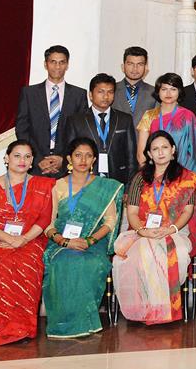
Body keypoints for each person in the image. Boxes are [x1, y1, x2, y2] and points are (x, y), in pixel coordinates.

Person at [111, 130, 196, 324]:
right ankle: (147, 308)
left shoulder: (187, 178)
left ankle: (163, 309)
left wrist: (171, 229)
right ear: (149, 154)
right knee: (140, 252)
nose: (161, 153)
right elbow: (132, 212)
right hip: (142, 231)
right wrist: (142, 231)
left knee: (170, 252)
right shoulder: (139, 178)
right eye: (155, 149)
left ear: (173, 150)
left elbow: (187, 211)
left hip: (176, 230)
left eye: (165, 148)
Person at [0, 141, 55, 345]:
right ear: (6, 158)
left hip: (31, 239)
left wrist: (23, 239)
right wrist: (10, 239)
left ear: (32, 161)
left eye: (27, 157)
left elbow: (44, 219)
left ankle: (21, 328)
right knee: (0, 262)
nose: (22, 161)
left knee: (25, 263)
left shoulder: (43, 185)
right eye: (17, 156)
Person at [42, 138, 122, 338]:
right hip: (60, 243)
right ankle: (63, 322)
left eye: (88, 155)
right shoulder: (57, 186)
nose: (83, 160)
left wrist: (89, 241)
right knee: (62, 262)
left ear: (94, 159)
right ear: (69, 158)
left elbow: (110, 222)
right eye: (78, 155)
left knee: (87, 263)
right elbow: (48, 224)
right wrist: (63, 241)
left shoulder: (106, 186)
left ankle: (84, 321)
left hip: (93, 243)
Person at [15, 45, 87, 178]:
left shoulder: (79, 95)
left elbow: (80, 132)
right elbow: (22, 129)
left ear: (67, 65)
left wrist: (64, 159)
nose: (57, 67)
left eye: (62, 62)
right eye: (53, 62)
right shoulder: (29, 93)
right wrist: (37, 159)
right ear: (45, 64)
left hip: (66, 168)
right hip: (36, 166)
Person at [67, 73, 137, 185]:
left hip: (117, 180)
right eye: (101, 92)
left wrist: (129, 188)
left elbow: (131, 158)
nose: (106, 96)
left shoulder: (125, 119)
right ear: (91, 95)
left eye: (110, 92)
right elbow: (69, 154)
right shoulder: (76, 121)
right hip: (85, 181)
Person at [134, 73, 196, 176]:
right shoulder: (149, 116)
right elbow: (142, 153)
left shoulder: (188, 116)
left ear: (179, 92)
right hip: (155, 174)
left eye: (173, 89)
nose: (168, 93)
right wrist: (149, 175)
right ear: (158, 92)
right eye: (164, 89)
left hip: (182, 175)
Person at [113, 46, 155, 131]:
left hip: (144, 142)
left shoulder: (155, 92)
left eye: (140, 64)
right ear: (122, 66)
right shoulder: (111, 90)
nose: (135, 68)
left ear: (146, 68)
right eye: (130, 64)